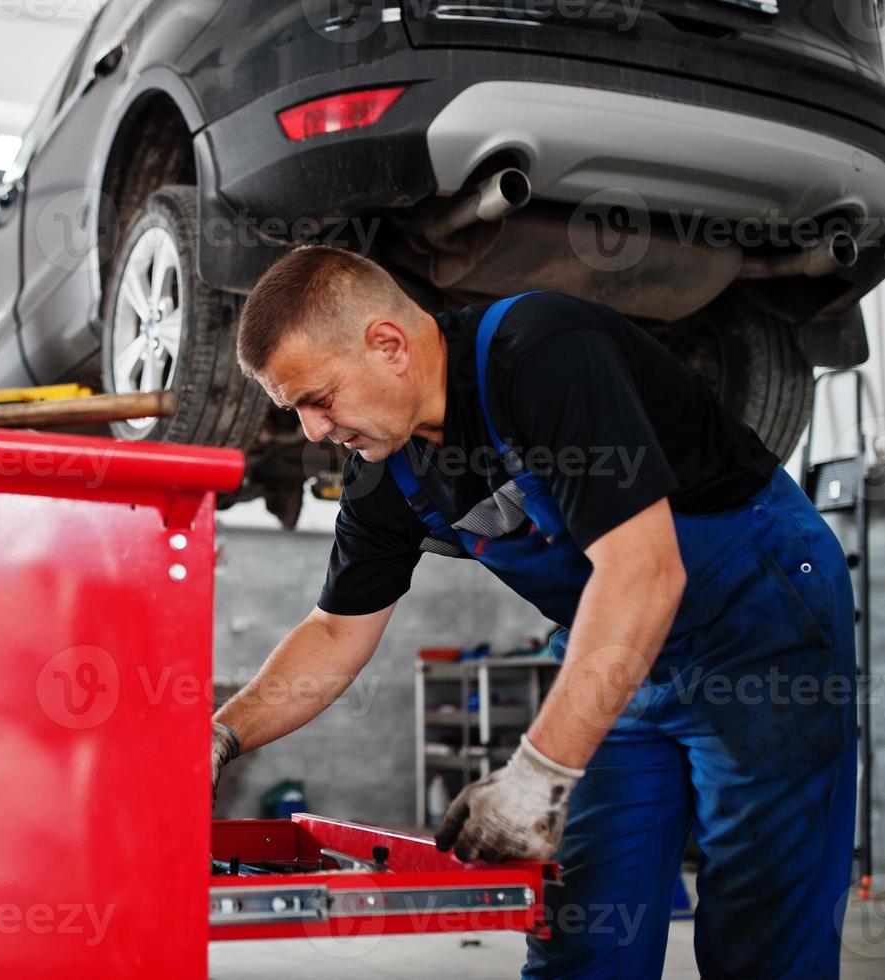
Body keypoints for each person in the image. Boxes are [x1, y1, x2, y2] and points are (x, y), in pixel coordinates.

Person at [210, 245, 857, 978]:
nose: (313, 432)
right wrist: (221, 736)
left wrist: (536, 772)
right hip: (615, 655)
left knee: (762, 922)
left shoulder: (541, 353)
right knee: (580, 922)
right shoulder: (382, 473)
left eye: (317, 398)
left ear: (386, 344)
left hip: (756, 621)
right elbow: (334, 631)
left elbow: (643, 570)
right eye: (294, 410)